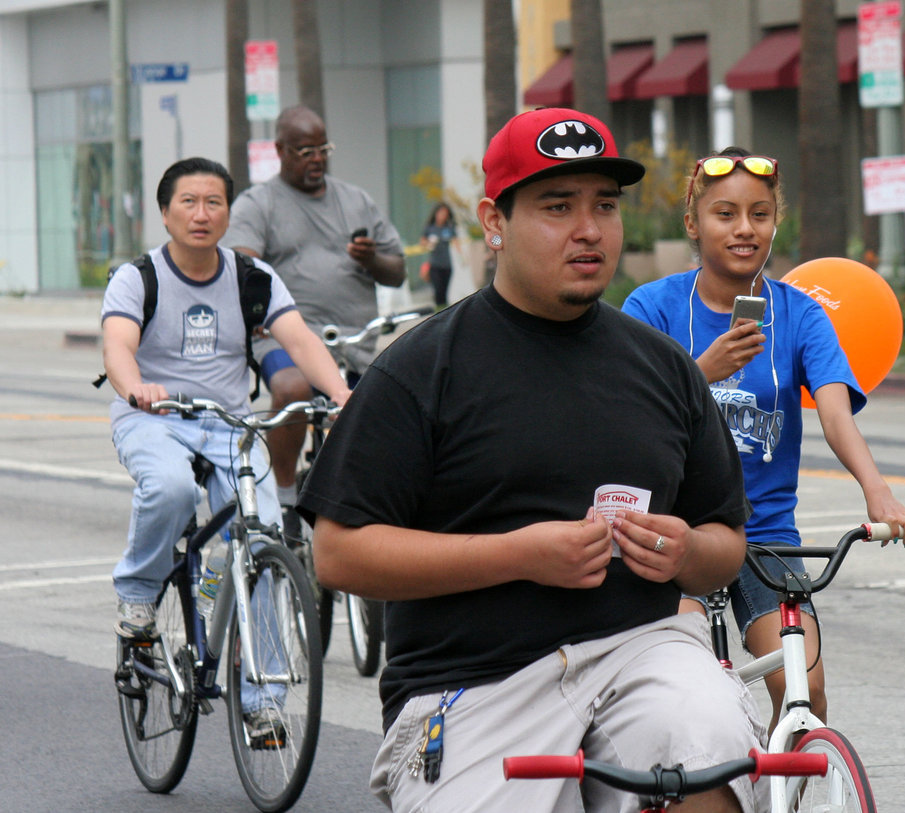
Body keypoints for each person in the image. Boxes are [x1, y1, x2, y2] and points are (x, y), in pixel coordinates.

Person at [299, 108, 767, 813]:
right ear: (495, 221)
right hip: (475, 678)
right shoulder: (421, 369)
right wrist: (516, 555)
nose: (589, 229)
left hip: (642, 647)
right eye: (557, 206)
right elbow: (336, 554)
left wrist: (685, 551)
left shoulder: (665, 368)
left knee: (705, 747)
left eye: (604, 206)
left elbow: (724, 543)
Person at [622, 147, 905, 732]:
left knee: (806, 690)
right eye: (725, 213)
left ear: (774, 222)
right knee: (678, 694)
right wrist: (701, 371)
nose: (744, 229)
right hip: (674, 532)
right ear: (693, 223)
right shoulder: (651, 308)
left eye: (759, 214)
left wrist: (879, 493)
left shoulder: (801, 315)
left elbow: (838, 415)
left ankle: (779, 788)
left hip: (765, 536)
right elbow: (626, 417)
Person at [102, 156, 350, 736]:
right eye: (188, 202)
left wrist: (340, 396)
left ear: (228, 213)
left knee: (262, 533)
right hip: (154, 418)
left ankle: (262, 700)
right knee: (170, 488)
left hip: (227, 422)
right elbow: (117, 347)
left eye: (214, 202)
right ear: (165, 212)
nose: (201, 213)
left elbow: (299, 338)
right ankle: (139, 597)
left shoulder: (251, 276)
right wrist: (136, 388)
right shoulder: (138, 277)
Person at [223, 105, 406, 528]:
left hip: (353, 341)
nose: (317, 159)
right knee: (293, 387)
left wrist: (371, 258)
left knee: (388, 412)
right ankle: (283, 497)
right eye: (305, 151)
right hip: (284, 338)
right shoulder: (259, 203)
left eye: (323, 149)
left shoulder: (355, 200)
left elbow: (397, 271)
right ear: (280, 150)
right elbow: (241, 264)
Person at [419, 202, 461, 308]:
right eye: (441, 212)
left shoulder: (449, 228)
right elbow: (422, 242)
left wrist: (462, 257)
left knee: (444, 292)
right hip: (435, 265)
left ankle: (443, 311)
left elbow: (456, 242)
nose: (443, 215)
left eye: (445, 213)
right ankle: (438, 311)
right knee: (438, 291)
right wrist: (430, 243)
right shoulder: (430, 228)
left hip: (447, 264)